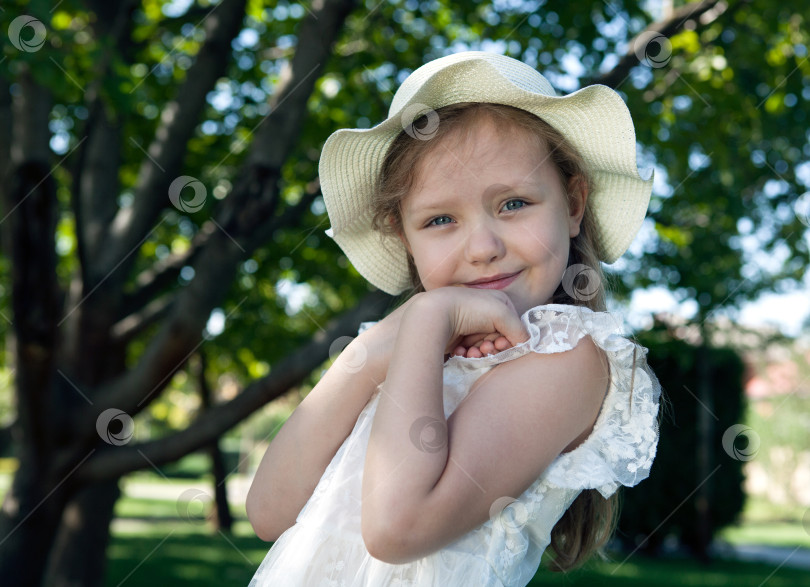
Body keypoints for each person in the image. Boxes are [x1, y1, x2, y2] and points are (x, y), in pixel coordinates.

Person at [246, 51, 662, 586]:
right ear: (404, 237)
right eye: (441, 219)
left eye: (513, 204)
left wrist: (421, 322)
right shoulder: (412, 346)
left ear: (574, 204)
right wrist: (374, 350)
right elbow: (268, 511)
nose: (483, 247)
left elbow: (397, 527)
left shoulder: (567, 358)